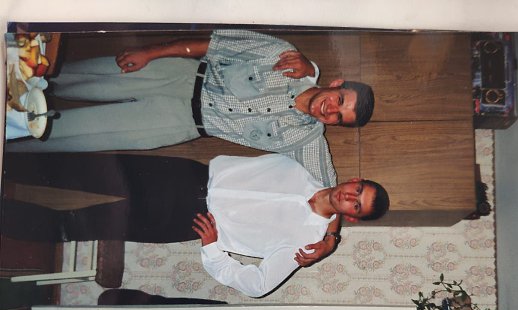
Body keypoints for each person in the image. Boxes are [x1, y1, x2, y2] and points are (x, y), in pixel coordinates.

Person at [6, 29, 376, 266]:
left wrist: (331, 239)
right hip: (174, 75)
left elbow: (333, 195)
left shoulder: (307, 140)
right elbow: (215, 44)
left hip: (176, 122)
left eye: (339, 117)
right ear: (336, 84)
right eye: (339, 100)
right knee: (55, 75)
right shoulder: (286, 55)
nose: (331, 110)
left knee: (61, 134)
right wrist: (152, 52)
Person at [1, 152, 389, 297]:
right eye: (358, 189)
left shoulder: (307, 244)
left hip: (186, 220)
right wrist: (334, 239)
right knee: (77, 168)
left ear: (353, 215)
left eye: (357, 204)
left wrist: (213, 247)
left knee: (74, 227)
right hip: (183, 176)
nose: (350, 196)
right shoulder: (311, 161)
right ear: (354, 180)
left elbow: (257, 286)